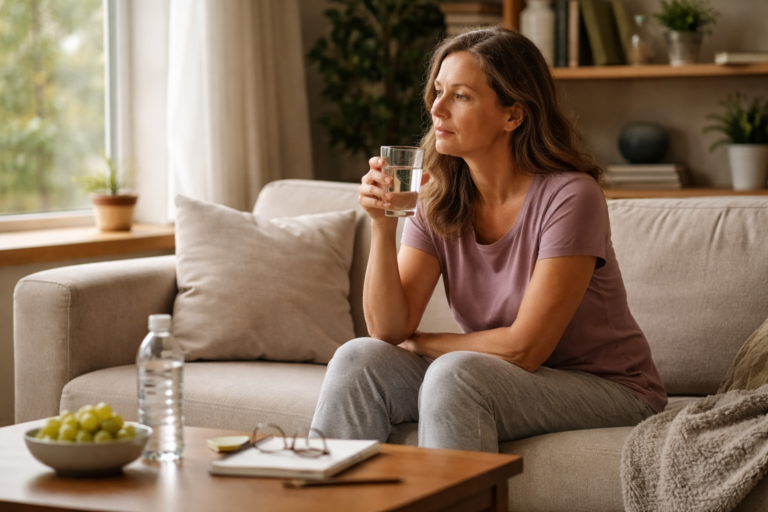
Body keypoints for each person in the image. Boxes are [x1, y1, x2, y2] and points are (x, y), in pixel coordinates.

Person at [310, 27, 667, 453]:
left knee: (456, 374)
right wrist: (383, 223)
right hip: (498, 376)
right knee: (357, 359)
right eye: (438, 91)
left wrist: (423, 342)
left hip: (610, 390)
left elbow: (524, 348)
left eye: (460, 96)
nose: (436, 108)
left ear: (512, 115)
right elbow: (387, 329)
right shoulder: (437, 198)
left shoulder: (572, 197)